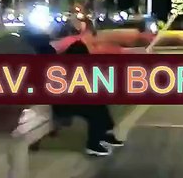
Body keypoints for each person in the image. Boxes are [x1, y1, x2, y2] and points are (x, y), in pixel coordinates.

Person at [24, 21, 123, 156]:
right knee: (94, 106)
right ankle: (93, 144)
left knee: (98, 102)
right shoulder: (71, 49)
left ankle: (104, 133)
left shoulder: (51, 51)